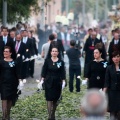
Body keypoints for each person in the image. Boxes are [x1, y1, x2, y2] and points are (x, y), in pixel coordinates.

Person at [41, 46, 66, 120]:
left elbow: (62, 72)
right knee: (49, 99)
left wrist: (63, 81)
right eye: (53, 51)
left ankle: (53, 114)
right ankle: (49, 116)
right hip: (48, 82)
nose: (54, 52)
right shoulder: (47, 60)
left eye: (56, 51)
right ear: (51, 52)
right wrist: (42, 80)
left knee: (55, 99)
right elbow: (44, 71)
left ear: (58, 53)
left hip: (57, 82)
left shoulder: (61, 62)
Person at [0, 46, 19, 120]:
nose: (5, 52)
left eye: (7, 51)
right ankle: (4, 116)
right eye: (4, 51)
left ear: (10, 53)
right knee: (4, 99)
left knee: (10, 100)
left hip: (12, 84)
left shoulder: (14, 62)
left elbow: (17, 73)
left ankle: (8, 115)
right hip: (3, 83)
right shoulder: (1, 62)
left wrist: (20, 82)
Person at [103, 51, 120, 120]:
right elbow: (106, 81)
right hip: (112, 93)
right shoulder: (109, 68)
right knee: (113, 113)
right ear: (112, 58)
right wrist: (103, 92)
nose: (116, 58)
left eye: (117, 57)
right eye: (114, 57)